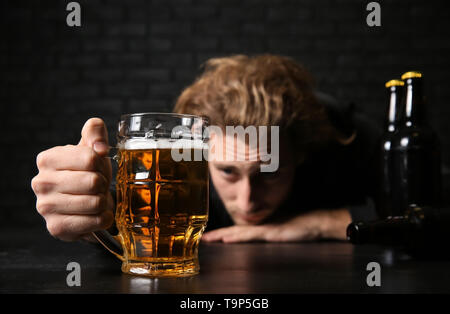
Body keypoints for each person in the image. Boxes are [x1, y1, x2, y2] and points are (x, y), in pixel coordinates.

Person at [31, 54, 380, 243]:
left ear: (301, 154)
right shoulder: (185, 162)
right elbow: (122, 209)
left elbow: (424, 210)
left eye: (269, 173)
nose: (247, 201)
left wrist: (320, 223)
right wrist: (87, 212)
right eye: (228, 171)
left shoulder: (341, 137)